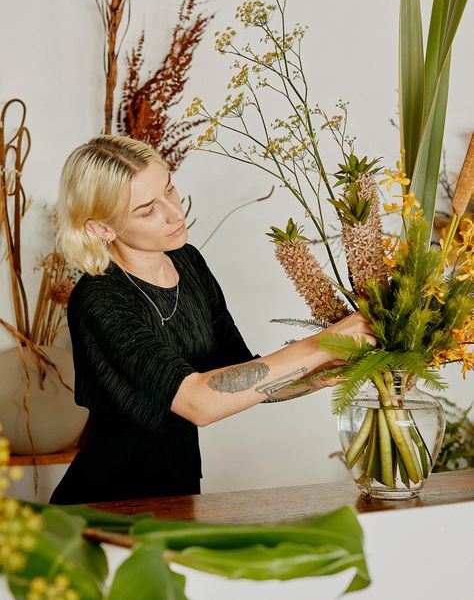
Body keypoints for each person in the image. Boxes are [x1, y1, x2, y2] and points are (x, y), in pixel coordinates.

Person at [49, 134, 375, 505]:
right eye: (147, 210)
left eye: (169, 190)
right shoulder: (99, 299)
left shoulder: (188, 261)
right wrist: (321, 343)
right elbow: (199, 402)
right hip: (106, 502)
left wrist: (328, 370)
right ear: (100, 228)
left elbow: (241, 374)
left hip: (177, 493)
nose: (174, 212)